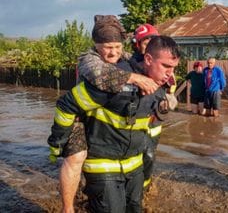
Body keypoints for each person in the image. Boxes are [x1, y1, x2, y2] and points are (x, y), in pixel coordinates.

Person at [48, 35, 180, 212]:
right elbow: (67, 105)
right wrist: (58, 143)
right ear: (148, 59)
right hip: (103, 165)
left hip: (134, 166)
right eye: (166, 66)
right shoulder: (114, 80)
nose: (170, 74)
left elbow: (149, 125)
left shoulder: (159, 84)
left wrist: (163, 108)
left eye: (173, 68)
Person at [131, 24, 177, 189]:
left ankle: (145, 186)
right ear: (138, 44)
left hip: (154, 121)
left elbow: (170, 88)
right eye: (145, 40)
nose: (149, 43)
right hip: (134, 122)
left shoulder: (165, 68)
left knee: (149, 156)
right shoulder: (130, 66)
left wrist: (169, 101)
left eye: (152, 39)